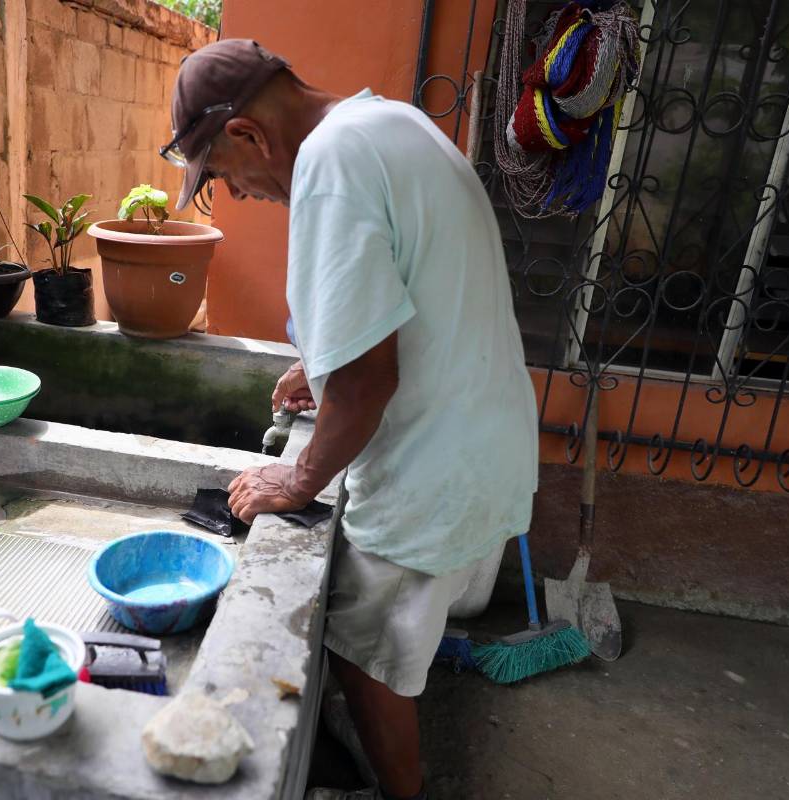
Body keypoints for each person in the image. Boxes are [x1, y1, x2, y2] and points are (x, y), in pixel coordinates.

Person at [162, 40, 538, 800]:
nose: (241, 194)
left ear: (248, 134)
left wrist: (297, 480)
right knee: (376, 643)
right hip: (485, 436)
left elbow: (367, 382)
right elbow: (412, 295)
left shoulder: (329, 167)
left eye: (227, 176)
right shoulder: (389, 123)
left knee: (368, 656)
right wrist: (321, 365)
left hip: (431, 466)